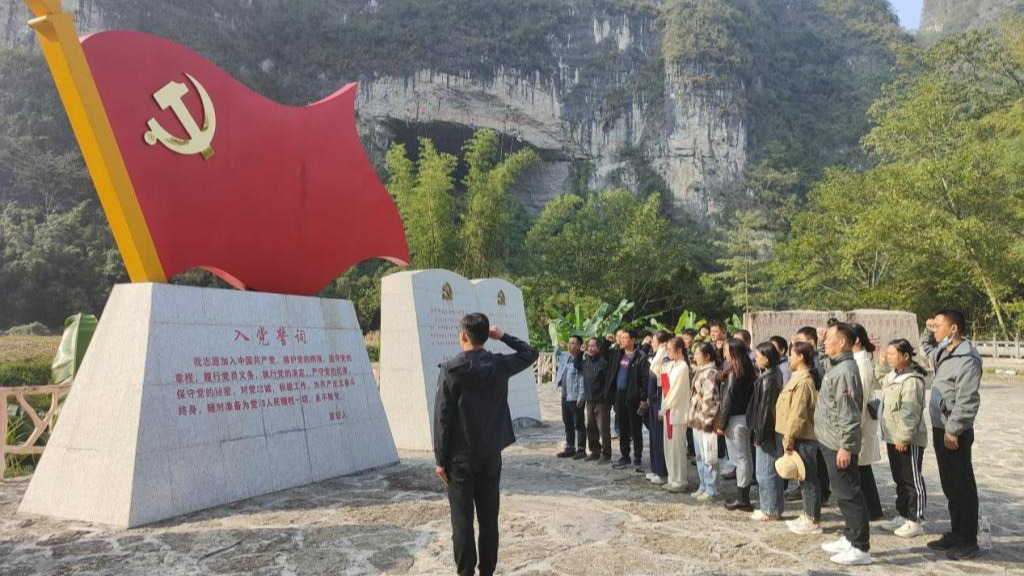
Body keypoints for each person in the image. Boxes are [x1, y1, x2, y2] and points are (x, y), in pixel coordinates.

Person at [433, 314, 539, 576]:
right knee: (489, 519)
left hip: (459, 458)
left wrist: (440, 460)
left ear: (463, 335)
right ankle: (487, 572)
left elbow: (442, 418)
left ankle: (465, 572)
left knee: (462, 520)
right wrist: (502, 335)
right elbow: (530, 353)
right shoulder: (499, 364)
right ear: (485, 336)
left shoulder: (451, 369)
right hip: (491, 454)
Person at [922, 310, 983, 561]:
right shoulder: (944, 351)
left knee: (962, 484)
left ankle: (968, 539)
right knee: (949, 483)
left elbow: (967, 399)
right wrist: (927, 330)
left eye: (939, 326)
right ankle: (956, 533)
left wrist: (954, 429)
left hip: (954, 431)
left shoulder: (967, 358)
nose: (935, 330)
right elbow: (927, 348)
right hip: (941, 427)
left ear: (953, 328)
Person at [817, 322, 872, 566]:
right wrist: (821, 343)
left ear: (842, 342)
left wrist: (846, 446)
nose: (825, 341)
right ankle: (850, 536)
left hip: (839, 442)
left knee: (850, 493)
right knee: (842, 493)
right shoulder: (837, 365)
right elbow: (824, 362)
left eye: (828, 338)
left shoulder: (846, 371)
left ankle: (860, 547)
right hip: (831, 438)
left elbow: (849, 413)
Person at [877, 339, 928, 539]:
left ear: (906, 356)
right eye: (888, 354)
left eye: (892, 354)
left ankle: (915, 520)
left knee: (911, 480)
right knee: (899, 478)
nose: (889, 357)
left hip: (907, 439)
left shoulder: (912, 381)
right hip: (893, 437)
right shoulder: (895, 376)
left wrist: (904, 437)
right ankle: (903, 515)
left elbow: (910, 412)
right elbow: (881, 379)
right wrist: (882, 363)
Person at [779, 341, 823, 536]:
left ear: (801, 357)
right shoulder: (797, 377)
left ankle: (812, 520)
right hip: (799, 435)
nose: (790, 358)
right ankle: (807, 514)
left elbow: (797, 414)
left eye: (793, 354)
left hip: (803, 436)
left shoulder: (804, 381)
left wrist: (789, 438)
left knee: (809, 479)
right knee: (802, 479)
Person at [792, 326, 831, 504]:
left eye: (800, 341)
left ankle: (821, 493)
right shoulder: (810, 360)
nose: (796, 344)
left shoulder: (818, 363)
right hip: (812, 416)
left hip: (817, 416)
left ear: (811, 342)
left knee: (817, 457)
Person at [849, 323, 883, 520]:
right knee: (861, 467)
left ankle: (871, 510)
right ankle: (871, 508)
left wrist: (855, 426)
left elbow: (859, 398)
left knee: (862, 468)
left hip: (860, 422)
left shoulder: (861, 363)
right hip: (859, 422)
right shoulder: (857, 360)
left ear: (855, 340)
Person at [747, 342, 784, 521]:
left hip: (767, 431)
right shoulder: (771, 374)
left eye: (758, 356)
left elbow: (766, 411)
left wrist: (760, 436)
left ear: (767, 358)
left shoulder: (769, 379)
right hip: (768, 429)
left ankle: (770, 510)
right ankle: (769, 506)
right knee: (768, 470)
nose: (755, 359)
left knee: (766, 471)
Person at [717, 339, 755, 507]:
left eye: (726, 350)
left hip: (735, 419)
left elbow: (728, 400)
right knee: (744, 457)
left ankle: (743, 499)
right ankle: (743, 496)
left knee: (741, 458)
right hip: (744, 417)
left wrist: (721, 424)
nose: (724, 353)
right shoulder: (746, 368)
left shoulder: (735, 372)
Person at [606, 329, 650, 471]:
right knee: (622, 428)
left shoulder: (640, 357)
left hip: (634, 397)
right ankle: (625, 456)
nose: (622, 340)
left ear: (633, 340)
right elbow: (602, 353)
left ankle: (637, 457)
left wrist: (643, 398)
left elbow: (645, 379)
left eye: (625, 338)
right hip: (619, 395)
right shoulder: (618, 355)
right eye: (621, 338)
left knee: (636, 428)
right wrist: (606, 341)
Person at [653, 336, 692, 492]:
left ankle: (680, 480)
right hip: (668, 412)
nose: (668, 352)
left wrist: (664, 408)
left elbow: (676, 392)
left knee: (678, 449)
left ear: (679, 350)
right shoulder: (670, 365)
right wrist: (661, 350)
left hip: (676, 413)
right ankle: (672, 478)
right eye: (668, 349)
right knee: (669, 448)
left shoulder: (683, 367)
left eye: (670, 349)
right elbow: (654, 368)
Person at [689, 342, 721, 501]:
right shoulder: (701, 370)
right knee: (700, 455)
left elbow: (711, 400)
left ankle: (711, 488)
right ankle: (703, 484)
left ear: (707, 356)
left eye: (698, 354)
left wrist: (708, 420)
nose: (695, 357)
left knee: (709, 455)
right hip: (697, 416)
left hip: (706, 418)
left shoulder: (710, 372)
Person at [645, 331, 673, 484]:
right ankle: (655, 468)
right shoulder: (656, 356)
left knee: (659, 438)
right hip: (653, 400)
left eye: (654, 341)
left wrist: (663, 405)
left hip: (659, 401)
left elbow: (664, 384)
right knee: (653, 437)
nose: (652, 343)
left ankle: (661, 471)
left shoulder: (665, 358)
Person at [553, 335, 586, 459]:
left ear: (579, 345)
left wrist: (581, 396)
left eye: (573, 343)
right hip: (565, 395)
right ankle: (570, 447)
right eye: (569, 342)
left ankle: (581, 449)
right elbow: (556, 354)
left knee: (579, 423)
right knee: (567, 422)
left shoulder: (582, 359)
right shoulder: (566, 357)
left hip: (575, 396)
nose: (570, 345)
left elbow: (582, 379)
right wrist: (559, 346)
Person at [581, 337, 614, 463]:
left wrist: (607, 398)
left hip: (602, 401)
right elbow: (577, 362)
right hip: (590, 400)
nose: (590, 348)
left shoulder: (604, 362)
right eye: (589, 346)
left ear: (599, 348)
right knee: (591, 427)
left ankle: (606, 454)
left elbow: (609, 382)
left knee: (603, 428)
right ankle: (595, 451)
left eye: (593, 346)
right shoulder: (586, 362)